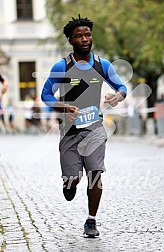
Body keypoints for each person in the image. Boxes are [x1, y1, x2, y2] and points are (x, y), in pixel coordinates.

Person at [41, 15, 127, 237]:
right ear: (70, 40)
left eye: (87, 34)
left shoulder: (102, 65)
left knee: (96, 173)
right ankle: (69, 184)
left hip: (95, 129)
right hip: (69, 131)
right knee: (73, 180)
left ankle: (91, 221)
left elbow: (121, 88)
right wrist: (63, 107)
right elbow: (46, 95)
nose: (84, 39)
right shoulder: (62, 66)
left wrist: (116, 97)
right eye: (78, 36)